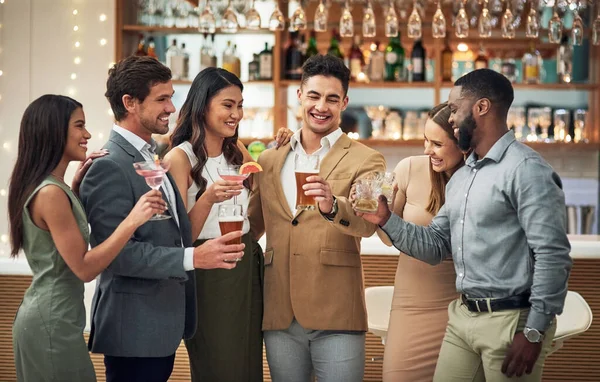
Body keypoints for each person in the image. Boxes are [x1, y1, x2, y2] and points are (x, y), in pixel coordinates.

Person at [359, 68, 572, 382]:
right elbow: (435, 246)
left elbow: (553, 256)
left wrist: (533, 330)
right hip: (463, 318)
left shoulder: (527, 170)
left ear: (481, 108)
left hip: (511, 320)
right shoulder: (463, 176)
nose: (452, 117)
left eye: (455, 108)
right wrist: (386, 220)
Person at [79, 56, 245, 382]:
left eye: (171, 97)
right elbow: (119, 255)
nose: (172, 107)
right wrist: (194, 256)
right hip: (134, 328)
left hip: (159, 326)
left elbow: (172, 231)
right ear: (129, 103)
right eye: (162, 99)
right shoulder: (109, 165)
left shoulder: (152, 154)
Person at [9, 94, 166, 382]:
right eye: (79, 126)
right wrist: (132, 219)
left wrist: (75, 189)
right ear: (54, 131)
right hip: (50, 324)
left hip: (55, 319)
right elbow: (83, 268)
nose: (88, 134)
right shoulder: (51, 193)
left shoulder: (54, 188)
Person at [248, 54, 386, 382]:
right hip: (280, 312)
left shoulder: (367, 159)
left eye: (332, 98)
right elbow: (252, 225)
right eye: (314, 95)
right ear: (299, 95)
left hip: (337, 314)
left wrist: (332, 206)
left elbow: (369, 225)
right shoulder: (269, 159)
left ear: (344, 102)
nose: (321, 106)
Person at [166, 67, 291, 381]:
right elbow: (180, 238)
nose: (236, 114)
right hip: (208, 271)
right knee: (219, 364)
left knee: (248, 362)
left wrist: (281, 150)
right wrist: (208, 198)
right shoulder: (179, 159)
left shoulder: (239, 152)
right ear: (202, 105)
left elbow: (253, 213)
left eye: (240, 105)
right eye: (227, 105)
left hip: (246, 265)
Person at [379, 102, 462, 382]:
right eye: (426, 140)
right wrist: (379, 211)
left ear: (461, 142)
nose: (427, 150)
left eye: (437, 143)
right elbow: (386, 237)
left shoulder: (477, 178)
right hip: (411, 306)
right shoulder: (410, 168)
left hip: (462, 308)